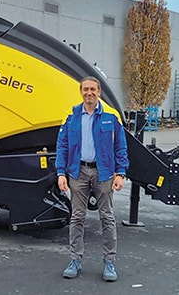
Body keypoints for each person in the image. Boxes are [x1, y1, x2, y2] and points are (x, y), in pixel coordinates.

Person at [55, 76, 129, 282]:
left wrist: (121, 173)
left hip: (103, 173)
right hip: (78, 173)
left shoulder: (110, 117)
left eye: (93, 89)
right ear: (81, 92)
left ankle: (109, 262)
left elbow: (120, 147)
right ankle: (75, 260)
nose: (89, 93)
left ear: (99, 92)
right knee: (77, 217)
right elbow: (62, 146)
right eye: (85, 89)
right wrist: (61, 173)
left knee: (107, 218)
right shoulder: (71, 116)